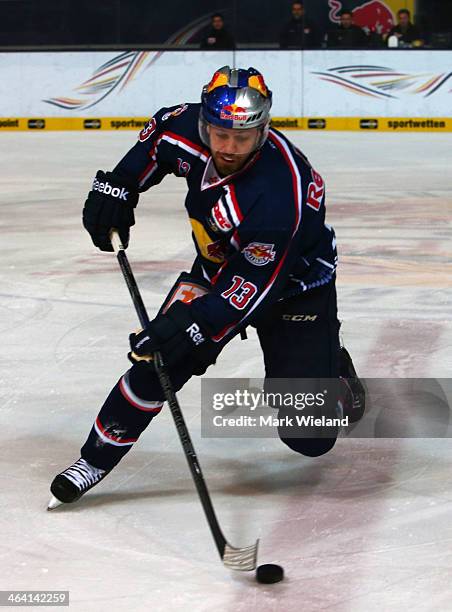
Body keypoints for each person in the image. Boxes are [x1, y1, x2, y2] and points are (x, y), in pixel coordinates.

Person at [48, 66, 365, 508]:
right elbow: (156, 141)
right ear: (204, 124)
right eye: (220, 135)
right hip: (221, 266)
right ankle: (93, 461)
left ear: (263, 129)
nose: (229, 148)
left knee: (308, 437)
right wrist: (118, 188)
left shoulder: (278, 194)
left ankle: (334, 371)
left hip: (295, 287)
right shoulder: (185, 126)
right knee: (159, 358)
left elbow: (248, 291)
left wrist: (192, 325)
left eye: (243, 138)